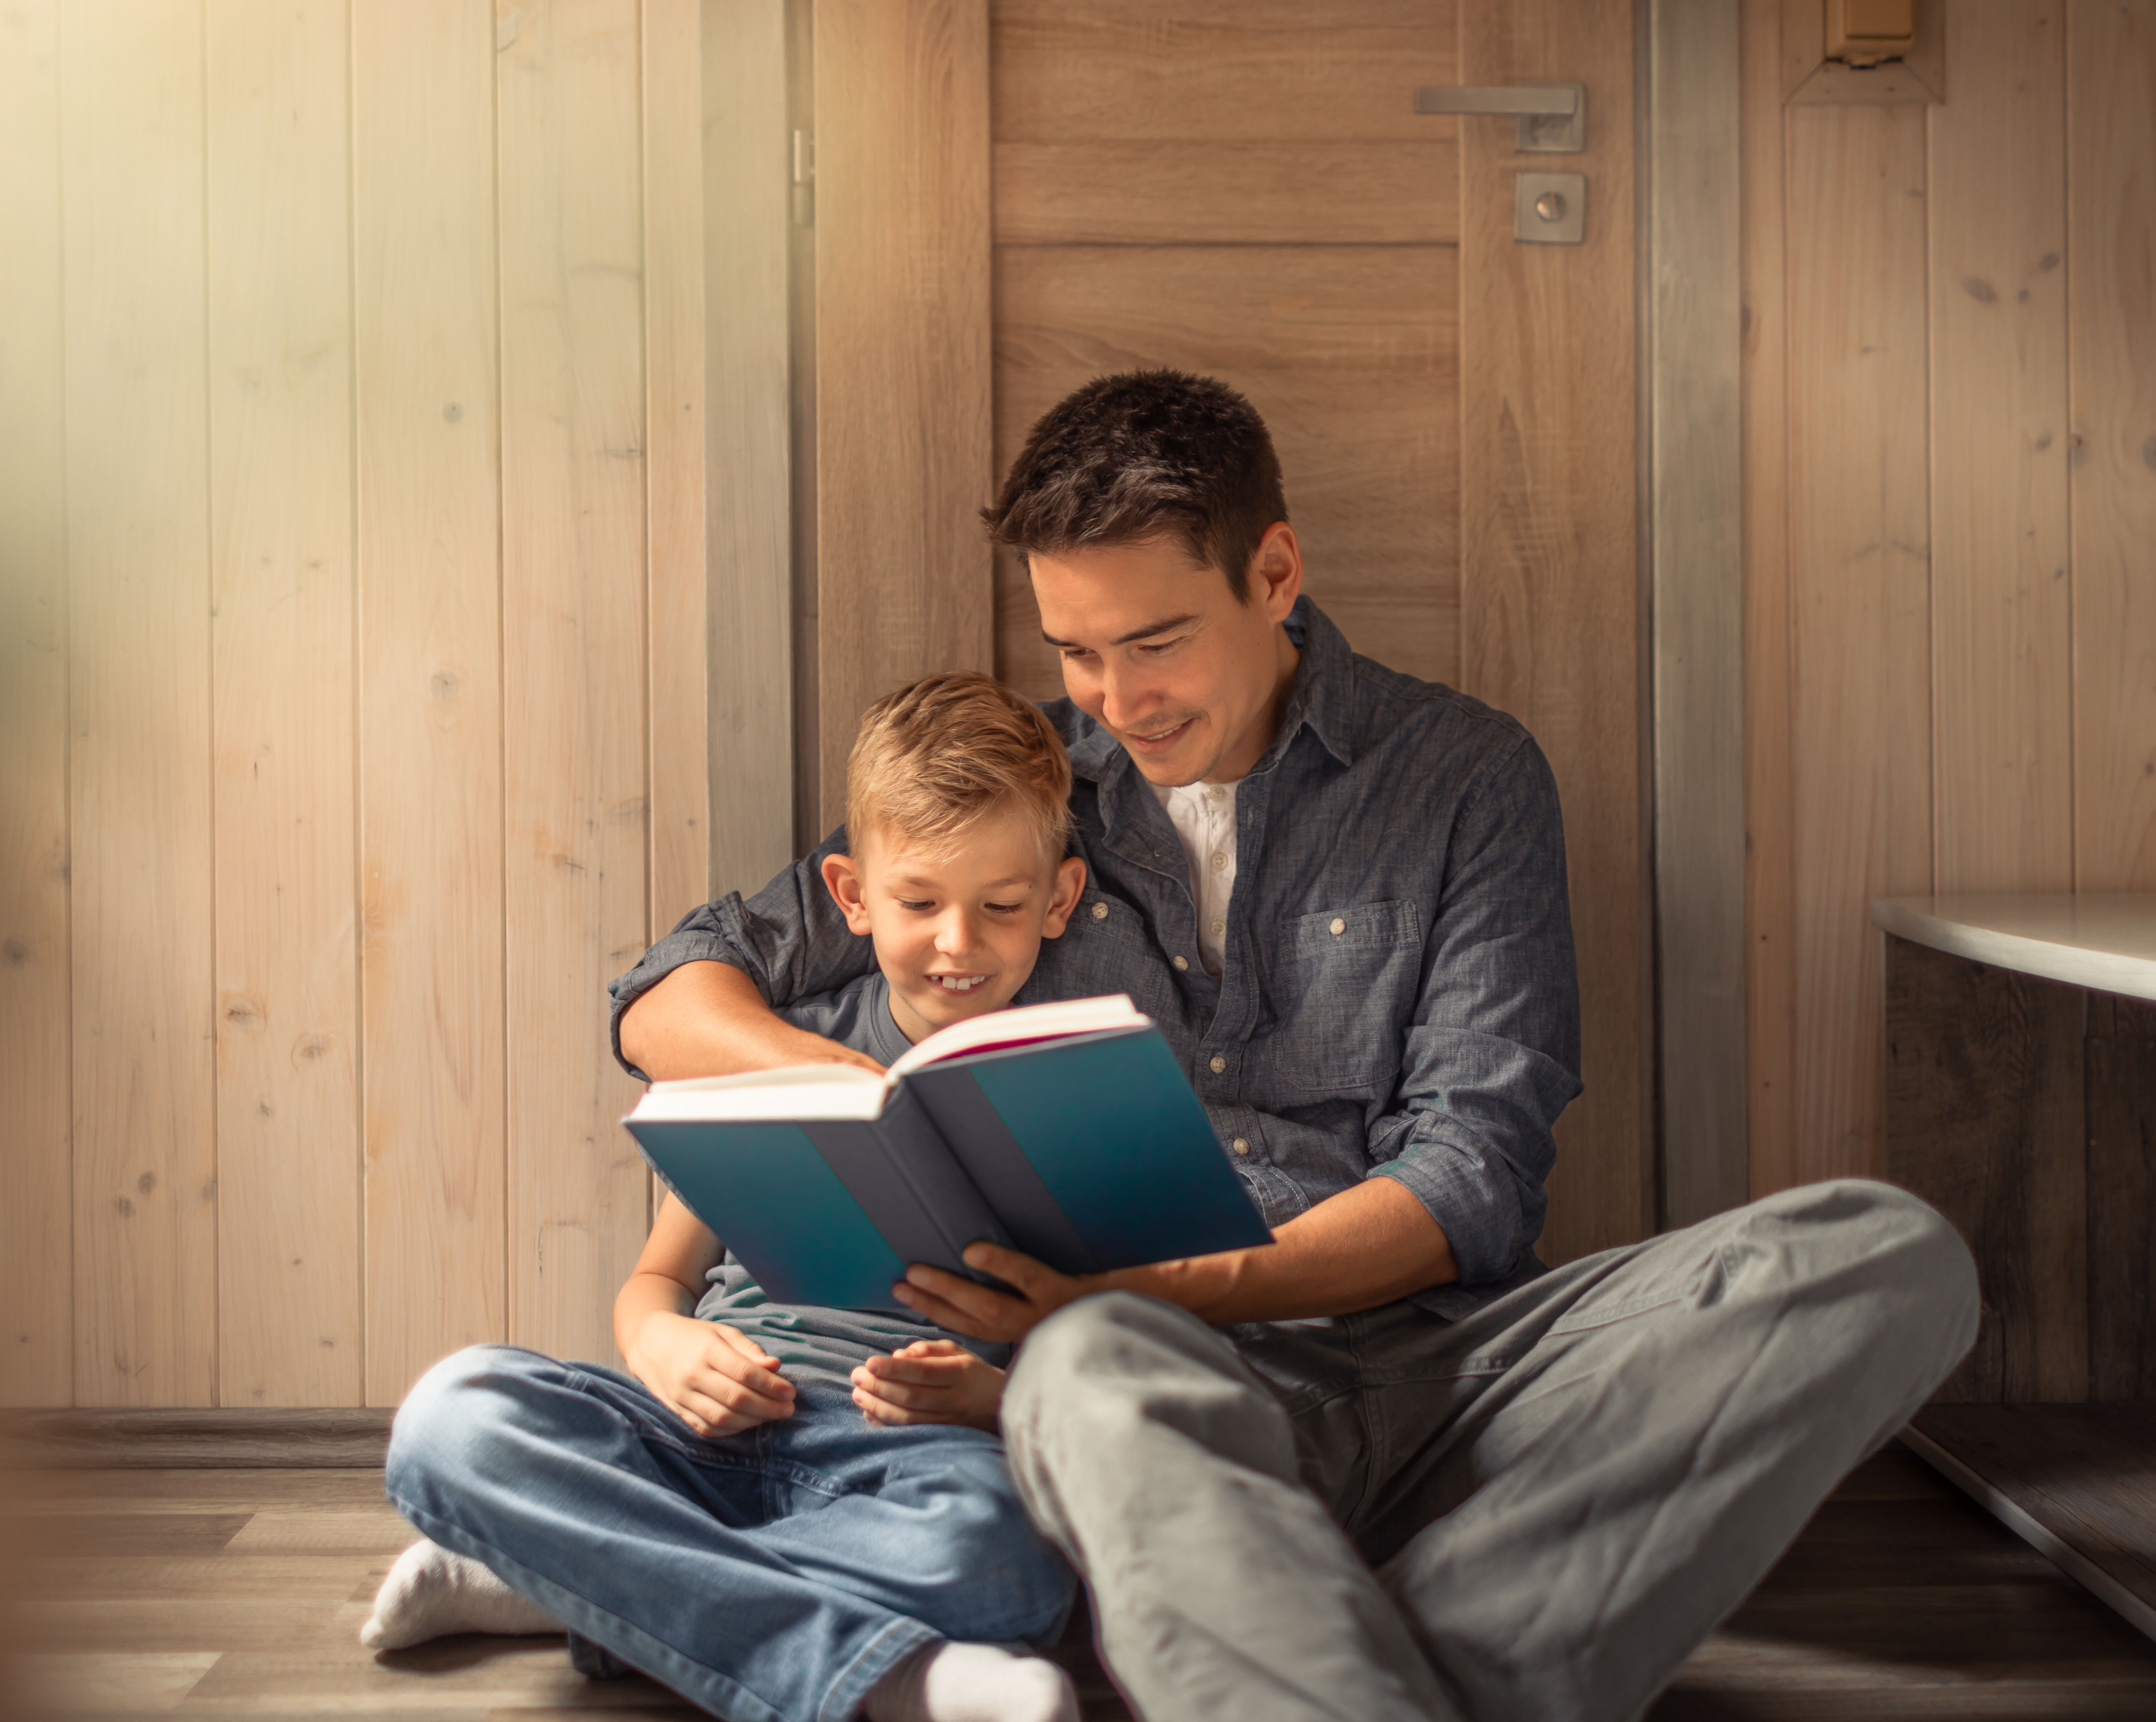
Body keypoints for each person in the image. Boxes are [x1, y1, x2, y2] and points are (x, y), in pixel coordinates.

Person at [610, 371, 1981, 1721]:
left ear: (1272, 572)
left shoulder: (1461, 773)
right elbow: (669, 988)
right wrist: (844, 1085)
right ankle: (1335, 1627)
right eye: (1073, 652)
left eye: (1151, 643)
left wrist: (1179, 1282)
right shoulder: (1017, 789)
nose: (1110, 699)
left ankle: (1326, 1640)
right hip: (1143, 1384)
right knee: (1089, 1358)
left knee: (1878, 1253)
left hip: (1443, 1372)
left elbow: (1473, 1176)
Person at [373, 672, 1099, 1722]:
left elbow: (1092, 1339)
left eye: (1001, 907)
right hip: (697, 1430)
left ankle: (570, 1583)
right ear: (852, 896)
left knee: (1007, 1563)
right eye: (920, 903)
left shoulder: (1073, 1087)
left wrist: (993, 1400)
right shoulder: (778, 1055)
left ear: (1060, 901)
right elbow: (658, 1279)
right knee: (454, 1416)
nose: (958, 943)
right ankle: (897, 1678)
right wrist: (660, 1346)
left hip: (910, 1460)